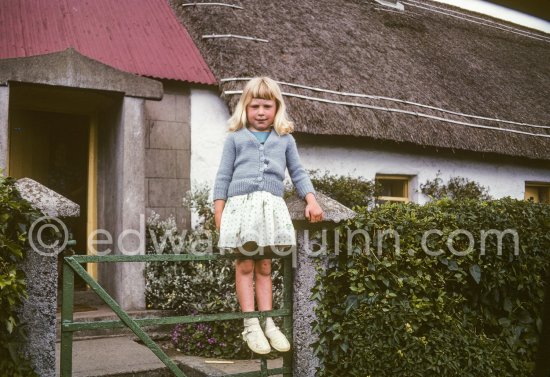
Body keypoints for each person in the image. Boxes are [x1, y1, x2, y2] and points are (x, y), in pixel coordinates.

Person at [213, 77, 324, 354]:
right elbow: (222, 178)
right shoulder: (235, 139)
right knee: (245, 265)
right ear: (245, 108)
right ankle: (250, 322)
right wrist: (220, 216)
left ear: (277, 108)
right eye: (254, 106)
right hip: (241, 210)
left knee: (264, 266)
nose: (260, 112)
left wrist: (311, 201)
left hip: (269, 210)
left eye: (267, 106)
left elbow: (298, 173)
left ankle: (269, 321)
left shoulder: (285, 140)